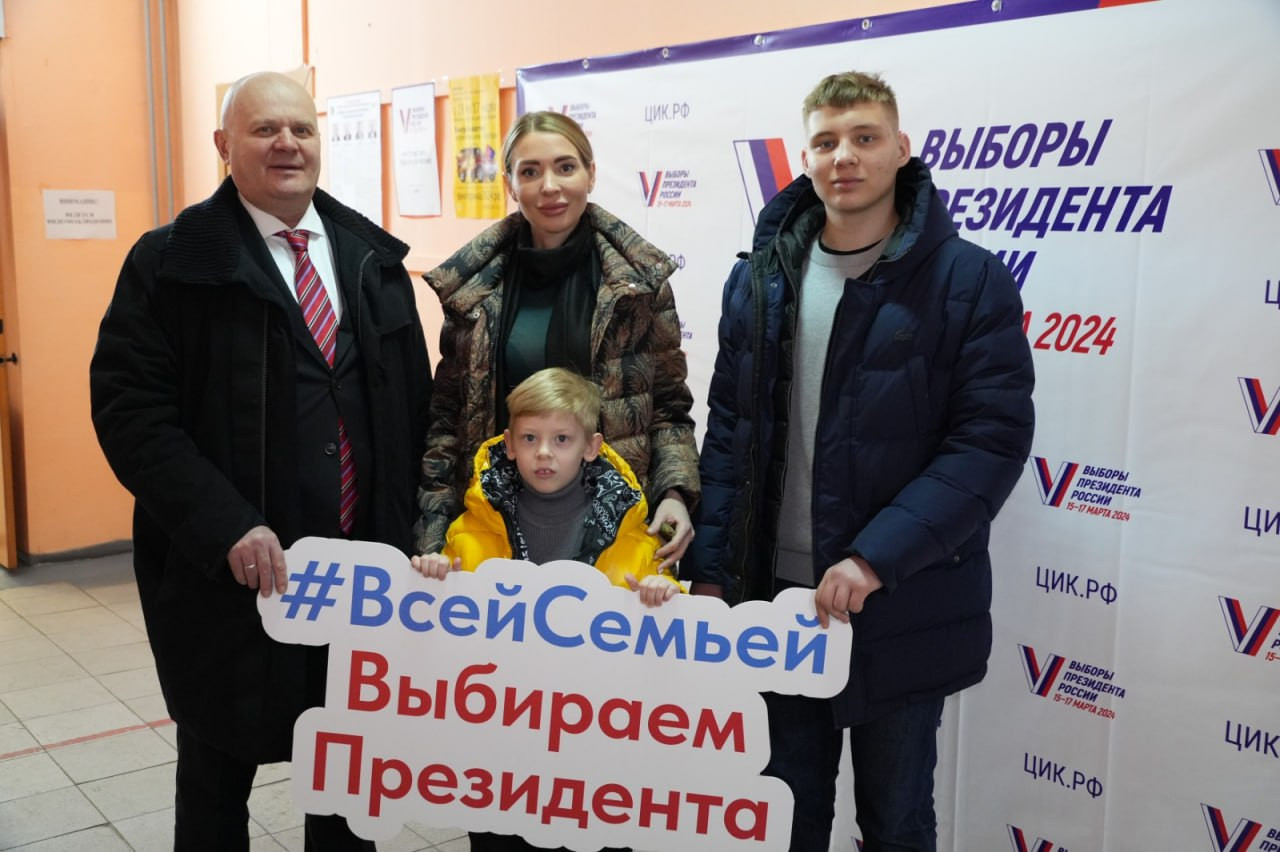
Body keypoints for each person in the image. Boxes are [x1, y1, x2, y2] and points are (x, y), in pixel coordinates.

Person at [680, 71, 1036, 851]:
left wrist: (875, 558)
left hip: (900, 598)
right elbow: (730, 432)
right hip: (774, 602)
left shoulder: (968, 279)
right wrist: (711, 569)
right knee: (782, 818)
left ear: (902, 149)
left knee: (896, 820)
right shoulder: (759, 279)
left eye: (865, 138)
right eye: (827, 141)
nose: (844, 156)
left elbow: (989, 441)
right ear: (805, 158)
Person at [89, 71, 432, 851]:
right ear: (224, 145)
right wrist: (225, 526)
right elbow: (131, 415)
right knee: (216, 780)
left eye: (302, 129)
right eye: (265, 129)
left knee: (345, 780)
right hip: (233, 580)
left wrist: (416, 534)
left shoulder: (372, 262)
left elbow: (415, 412)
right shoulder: (171, 264)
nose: (287, 144)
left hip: (359, 578)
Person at [416, 111, 699, 576]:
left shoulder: (638, 286)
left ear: (591, 174)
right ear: (510, 185)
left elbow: (668, 409)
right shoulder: (473, 291)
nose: (550, 186)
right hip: (494, 530)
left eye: (565, 167)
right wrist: (434, 535)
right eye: (530, 172)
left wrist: (674, 494)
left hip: (613, 538)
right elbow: (447, 423)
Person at [413, 367, 681, 609]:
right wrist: (435, 578)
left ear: (591, 447)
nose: (543, 452)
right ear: (510, 445)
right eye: (529, 438)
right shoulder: (469, 530)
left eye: (561, 439)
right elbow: (444, 615)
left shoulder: (633, 538)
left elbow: (675, 620)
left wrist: (664, 594)